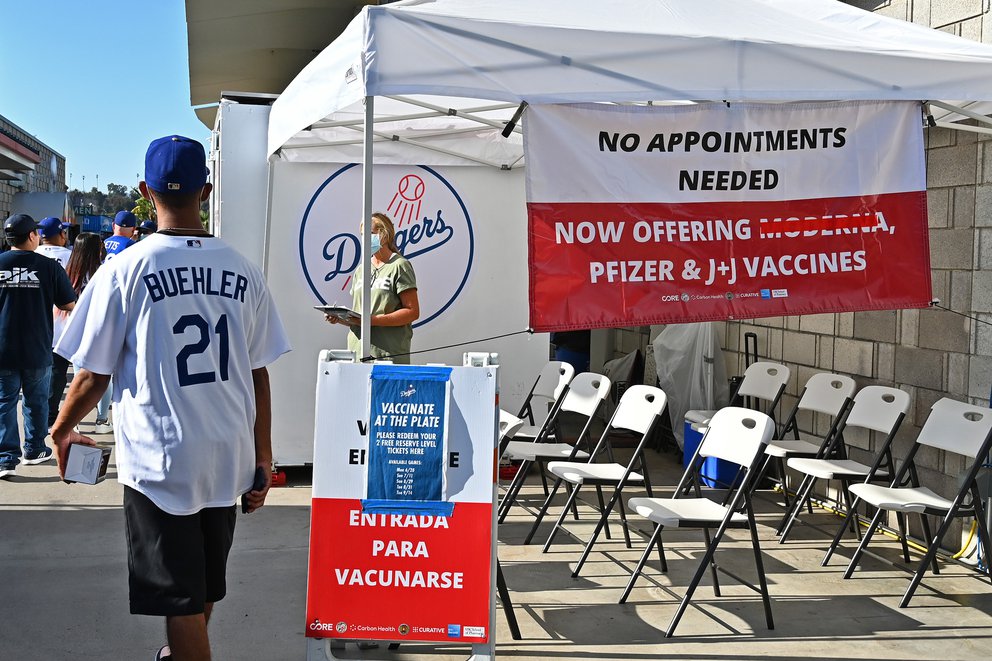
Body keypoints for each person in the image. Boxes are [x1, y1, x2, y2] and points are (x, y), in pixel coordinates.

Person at [51, 135, 291, 661]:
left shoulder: (124, 270)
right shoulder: (243, 269)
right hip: (226, 453)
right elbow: (259, 371)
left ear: (145, 191)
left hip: (160, 458)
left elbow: (93, 373)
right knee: (200, 587)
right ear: (206, 191)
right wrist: (264, 453)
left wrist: (61, 427)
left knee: (180, 600)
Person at [0, 213, 75, 479]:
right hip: (37, 345)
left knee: (5, 403)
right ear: (32, 236)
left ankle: (5, 459)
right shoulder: (49, 267)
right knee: (36, 401)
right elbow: (68, 304)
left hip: (3, 347)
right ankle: (33, 449)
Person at [325, 212, 419, 363]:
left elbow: (412, 312)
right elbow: (359, 318)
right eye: (362, 235)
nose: (365, 239)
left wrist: (373, 320)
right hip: (357, 353)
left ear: (385, 235)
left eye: (370, 233)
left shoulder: (399, 265)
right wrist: (339, 318)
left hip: (387, 355)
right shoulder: (361, 270)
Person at [48, 233, 110, 431]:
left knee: (74, 377)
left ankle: (71, 421)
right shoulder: (103, 273)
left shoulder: (69, 271)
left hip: (68, 331)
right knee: (102, 375)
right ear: (96, 248)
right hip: (96, 330)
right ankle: (101, 419)